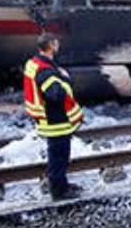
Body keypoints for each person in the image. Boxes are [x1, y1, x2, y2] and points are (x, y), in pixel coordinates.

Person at [23, 33, 85, 200]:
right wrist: (65, 79)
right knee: (59, 157)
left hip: (48, 118)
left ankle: (61, 184)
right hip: (55, 120)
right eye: (56, 43)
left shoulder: (34, 63)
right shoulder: (46, 71)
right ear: (51, 46)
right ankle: (59, 191)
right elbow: (56, 94)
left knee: (56, 155)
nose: (58, 46)